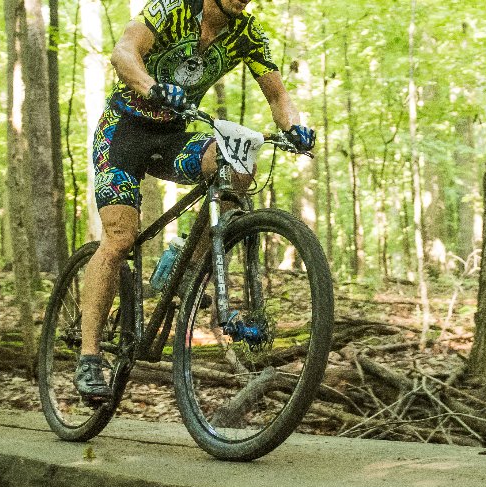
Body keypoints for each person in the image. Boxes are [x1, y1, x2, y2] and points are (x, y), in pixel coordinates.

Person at [77, 0, 315, 398]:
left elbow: (277, 95)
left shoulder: (247, 33)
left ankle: (187, 255)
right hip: (123, 133)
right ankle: (89, 359)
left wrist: (294, 128)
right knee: (119, 239)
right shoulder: (172, 8)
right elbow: (123, 52)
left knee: (237, 164)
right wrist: (151, 87)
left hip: (175, 136)